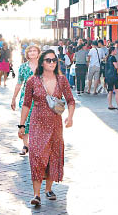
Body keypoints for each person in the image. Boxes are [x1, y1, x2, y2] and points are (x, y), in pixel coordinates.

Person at [18, 50, 75, 206]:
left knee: (52, 155)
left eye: (54, 60)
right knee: (36, 155)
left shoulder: (62, 80)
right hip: (37, 123)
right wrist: (22, 125)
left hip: (55, 124)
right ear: (42, 62)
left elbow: (70, 100)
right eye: (48, 60)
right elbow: (26, 104)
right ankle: (36, 194)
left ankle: (48, 189)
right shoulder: (32, 81)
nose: (52, 63)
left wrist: (70, 117)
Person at [11, 45, 40, 156]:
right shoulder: (23, 67)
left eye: (35, 51)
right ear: (27, 54)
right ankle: (25, 145)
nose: (32, 53)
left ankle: (35, 145)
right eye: (30, 51)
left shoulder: (43, 66)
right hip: (26, 98)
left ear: (38, 53)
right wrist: (14, 98)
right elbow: (19, 83)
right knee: (26, 121)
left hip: (40, 98)